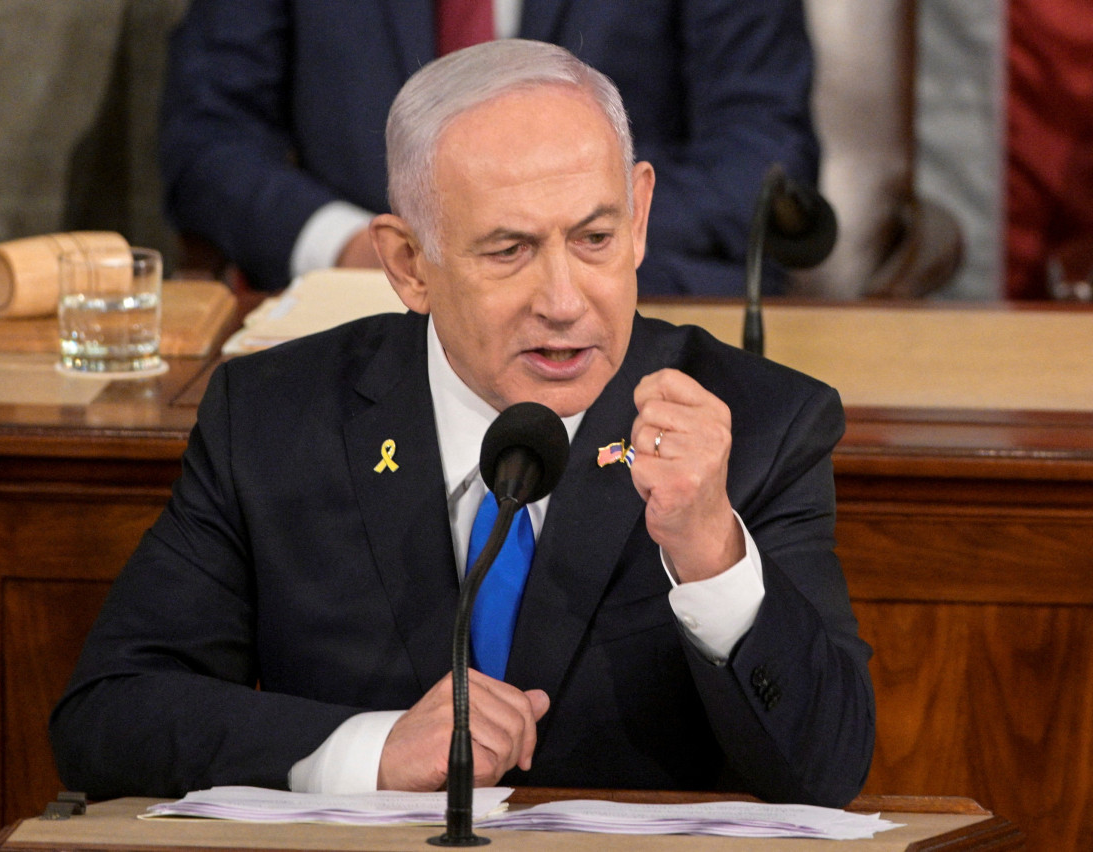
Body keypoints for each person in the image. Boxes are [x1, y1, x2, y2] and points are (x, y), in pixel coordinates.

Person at [53, 39, 873, 806]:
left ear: (641, 217)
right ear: (409, 264)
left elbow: (826, 770)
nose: (562, 302)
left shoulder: (759, 426)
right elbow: (108, 717)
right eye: (508, 251)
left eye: (594, 237)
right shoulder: (273, 420)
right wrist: (371, 753)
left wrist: (711, 554)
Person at [158, 0, 819, 297]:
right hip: (374, 310)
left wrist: (553, 244)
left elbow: (760, 158)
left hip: (620, 314)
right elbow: (207, 138)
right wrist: (350, 246)